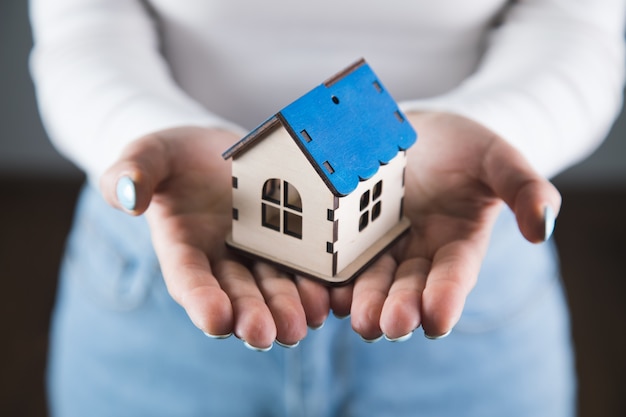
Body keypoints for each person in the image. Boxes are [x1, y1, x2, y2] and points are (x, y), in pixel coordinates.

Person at [29, 0, 625, 416]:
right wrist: (143, 133)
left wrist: (496, 127)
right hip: (156, 268)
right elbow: (83, 22)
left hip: (464, 263)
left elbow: (577, 22)